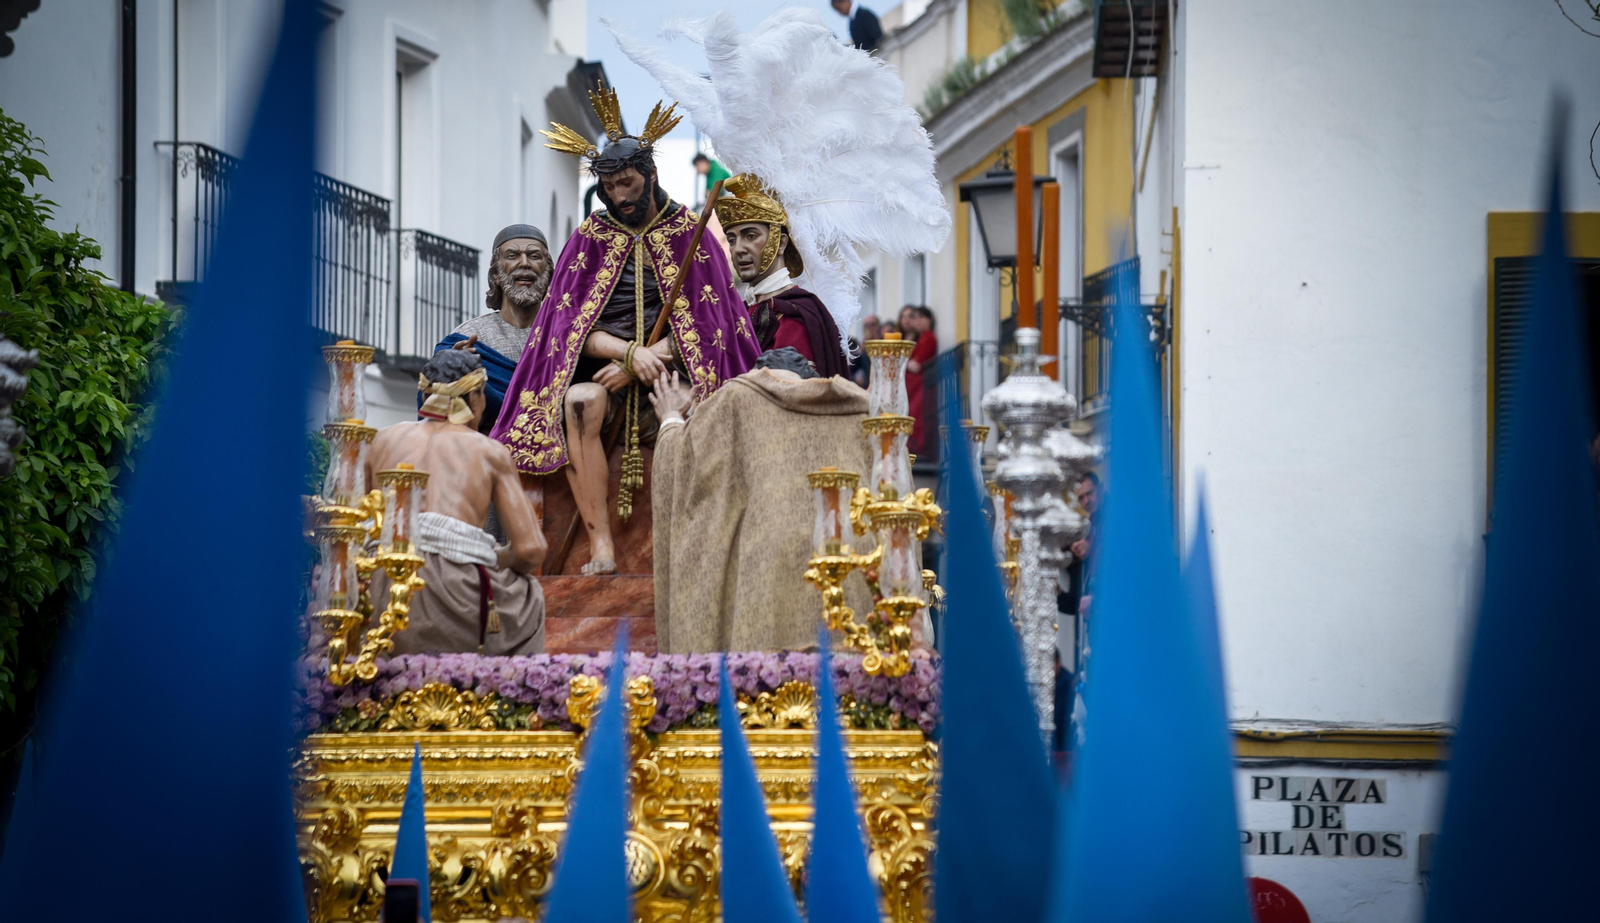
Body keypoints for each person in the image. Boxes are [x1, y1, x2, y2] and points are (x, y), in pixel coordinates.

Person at [492, 88, 759, 575]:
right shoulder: (590, 237)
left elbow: (713, 320)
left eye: (628, 183)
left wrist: (654, 356)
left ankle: (694, 546)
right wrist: (627, 354)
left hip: (673, 369)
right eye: (610, 186)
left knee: (704, 410)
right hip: (607, 370)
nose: (619, 196)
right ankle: (602, 546)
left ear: (651, 175)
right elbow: (568, 325)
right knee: (577, 403)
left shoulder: (687, 232)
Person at [648, 349, 876, 652]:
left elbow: (685, 466)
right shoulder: (861, 406)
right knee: (852, 678)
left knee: (768, 681)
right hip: (855, 553)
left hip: (769, 556)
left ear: (759, 372)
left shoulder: (737, 396)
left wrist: (671, 419)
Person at [368, 350, 547, 655]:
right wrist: (492, 557)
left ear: (425, 395)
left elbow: (360, 527)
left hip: (379, 588)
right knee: (531, 594)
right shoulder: (489, 451)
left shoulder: (380, 440)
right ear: (476, 397)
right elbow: (531, 550)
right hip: (456, 591)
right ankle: (510, 698)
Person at [714, 174, 850, 377]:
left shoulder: (796, 316)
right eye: (732, 240)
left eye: (751, 236)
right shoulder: (742, 311)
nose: (738, 249)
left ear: (781, 243)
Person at [431, 224, 553, 433]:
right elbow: (435, 401)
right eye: (513, 255)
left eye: (534, 256)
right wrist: (455, 369)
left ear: (549, 272)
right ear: (496, 274)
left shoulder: (565, 333)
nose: (524, 263)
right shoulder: (467, 336)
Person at [901, 305, 937, 454]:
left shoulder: (929, 338)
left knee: (916, 415)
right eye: (916, 318)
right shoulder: (923, 337)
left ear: (929, 320)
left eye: (921, 318)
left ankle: (917, 448)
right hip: (914, 383)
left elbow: (917, 364)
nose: (917, 321)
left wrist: (906, 363)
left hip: (919, 383)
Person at [850, 315, 881, 387]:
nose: (869, 329)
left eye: (872, 325)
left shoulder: (883, 345)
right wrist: (860, 352)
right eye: (866, 326)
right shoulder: (861, 347)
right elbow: (852, 370)